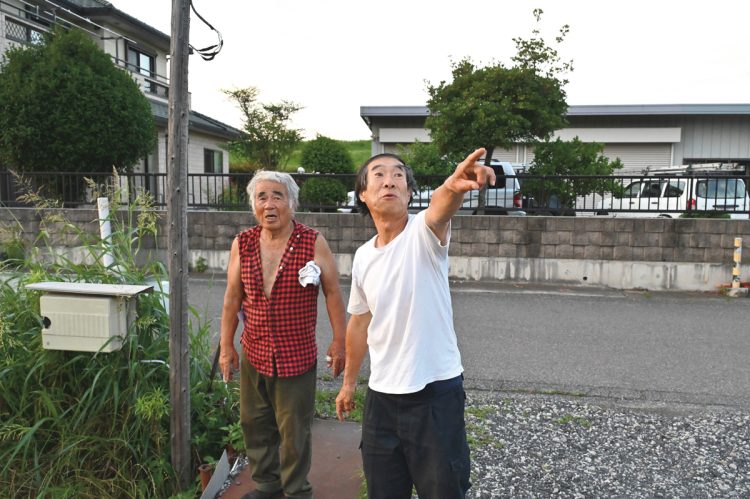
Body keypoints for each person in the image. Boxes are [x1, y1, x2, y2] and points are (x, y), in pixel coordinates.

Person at [335, 148, 495, 499]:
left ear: (409, 192)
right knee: (383, 490)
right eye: (377, 174)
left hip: (434, 392)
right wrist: (349, 384)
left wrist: (453, 186)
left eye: (398, 175)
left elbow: (440, 206)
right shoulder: (363, 256)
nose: (389, 179)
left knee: (443, 490)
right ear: (363, 193)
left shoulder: (423, 234)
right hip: (381, 396)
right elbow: (360, 322)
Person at [220, 170, 347, 499]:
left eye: (277, 195)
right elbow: (232, 299)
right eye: (261, 197)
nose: (270, 204)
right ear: (253, 206)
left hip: (296, 356)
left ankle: (296, 491)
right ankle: (267, 486)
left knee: (294, 433)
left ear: (292, 203)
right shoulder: (243, 244)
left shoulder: (311, 241)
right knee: (255, 423)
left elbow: (332, 292)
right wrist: (226, 347)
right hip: (255, 353)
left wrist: (339, 341)